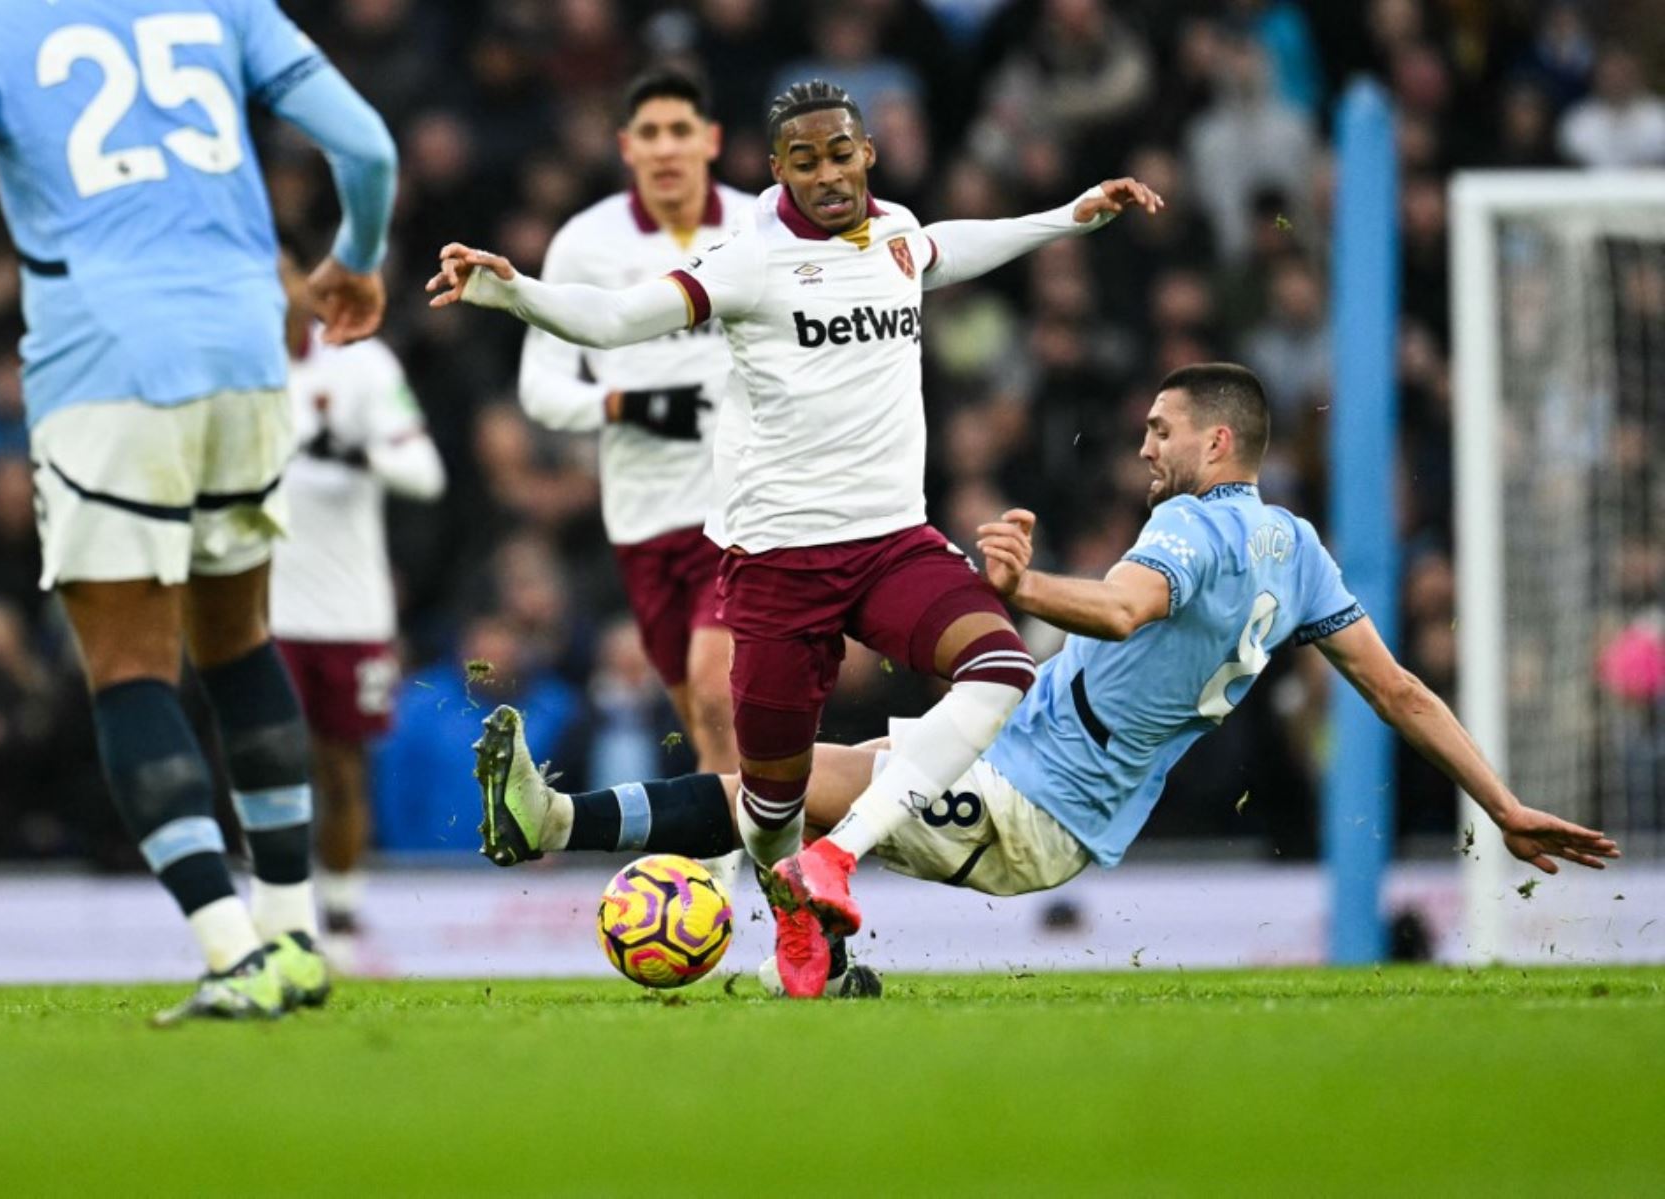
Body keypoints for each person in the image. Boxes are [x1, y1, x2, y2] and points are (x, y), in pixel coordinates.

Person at [474, 363, 1621, 996]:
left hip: (1039, 802)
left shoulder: (1191, 526)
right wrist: (1502, 802)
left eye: (1161, 428)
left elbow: (1123, 607)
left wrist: (1019, 585)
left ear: (1216, 444)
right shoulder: (1301, 548)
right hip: (1026, 772)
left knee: (768, 786)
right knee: (781, 779)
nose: (1145, 449)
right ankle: (818, 959)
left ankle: (561, 821)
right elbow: (1402, 691)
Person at [428, 78, 1162, 997]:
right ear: (777, 169)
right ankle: (802, 935)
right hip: (779, 565)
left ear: (869, 154)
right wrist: (511, 290)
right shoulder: (750, 262)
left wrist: (1069, 216)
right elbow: (615, 320)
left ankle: (840, 858)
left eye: (841, 154)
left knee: (1002, 668)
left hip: (892, 544)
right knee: (769, 802)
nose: (827, 175)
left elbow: (947, 249)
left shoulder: (893, 231)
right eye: (804, 161)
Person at [0, 0, 397, 1023]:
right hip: (248, 347)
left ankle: (231, 945)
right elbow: (368, 146)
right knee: (239, 641)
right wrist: (358, 254)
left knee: (127, 667)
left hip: (105, 356)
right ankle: (294, 931)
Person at [517, 68, 750, 775]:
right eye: (650, 133)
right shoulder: (586, 245)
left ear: (710, 140)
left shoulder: (758, 226)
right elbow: (540, 387)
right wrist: (622, 405)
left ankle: (756, 872)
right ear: (626, 146)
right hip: (643, 516)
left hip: (744, 502)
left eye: (681, 130)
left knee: (718, 691)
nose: (666, 148)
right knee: (702, 719)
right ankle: (760, 851)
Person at [270, 254, 445, 956]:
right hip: (263, 605)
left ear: (305, 287)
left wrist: (358, 454)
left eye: (276, 273)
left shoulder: (363, 365)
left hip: (350, 606)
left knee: (342, 765)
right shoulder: (227, 373)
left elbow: (425, 473)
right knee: (271, 765)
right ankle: (278, 917)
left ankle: (339, 917)